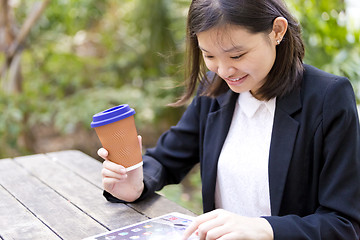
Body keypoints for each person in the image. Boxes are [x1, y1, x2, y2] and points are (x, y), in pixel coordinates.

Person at [98, 0, 360, 239]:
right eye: (209, 56)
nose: (224, 71)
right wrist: (135, 183)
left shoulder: (327, 98)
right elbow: (165, 160)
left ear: (277, 31)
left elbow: (344, 223)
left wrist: (265, 228)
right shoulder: (215, 89)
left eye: (237, 55)